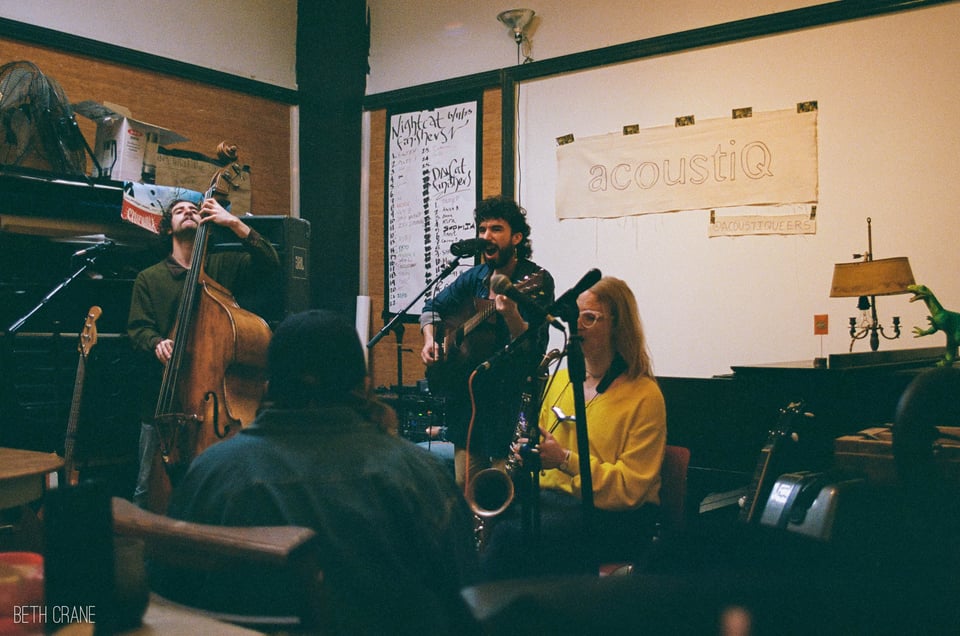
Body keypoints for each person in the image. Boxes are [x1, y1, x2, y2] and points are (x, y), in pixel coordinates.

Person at [156, 309, 480, 634]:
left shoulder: (209, 474)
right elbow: (461, 606)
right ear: (363, 384)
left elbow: (171, 597)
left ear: (268, 386)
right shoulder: (420, 477)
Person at [479, 276, 667, 580]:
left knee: (511, 537)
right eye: (576, 316)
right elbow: (542, 443)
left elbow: (631, 489)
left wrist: (565, 460)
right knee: (493, 525)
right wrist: (528, 452)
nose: (577, 326)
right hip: (555, 503)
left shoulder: (645, 395)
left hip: (618, 517)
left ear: (618, 327)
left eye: (590, 318)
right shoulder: (564, 378)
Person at [126, 194, 279, 509]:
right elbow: (138, 328)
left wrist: (234, 223)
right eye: (180, 211)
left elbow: (271, 264)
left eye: (194, 210)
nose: (188, 213)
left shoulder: (221, 266)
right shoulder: (149, 278)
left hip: (211, 408)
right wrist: (156, 342)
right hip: (164, 400)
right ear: (169, 228)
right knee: (147, 487)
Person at [420, 196, 555, 489]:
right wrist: (431, 339)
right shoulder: (474, 278)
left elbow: (534, 350)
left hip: (506, 404)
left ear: (516, 237)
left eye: (496, 229)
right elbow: (431, 308)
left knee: (499, 488)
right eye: (482, 229)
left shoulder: (535, 281)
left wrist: (512, 316)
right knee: (463, 483)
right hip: (467, 401)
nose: (485, 237)